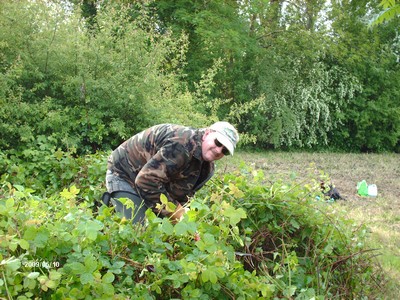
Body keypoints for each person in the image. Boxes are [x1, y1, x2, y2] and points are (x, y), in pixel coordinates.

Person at [105, 121, 239, 223]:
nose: (218, 150)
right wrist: (177, 212)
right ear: (207, 133)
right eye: (217, 142)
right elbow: (145, 181)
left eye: (225, 151)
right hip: (124, 175)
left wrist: (185, 220)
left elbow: (183, 196)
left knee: (167, 230)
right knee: (139, 233)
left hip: (151, 182)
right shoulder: (182, 144)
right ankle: (111, 198)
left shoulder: (207, 168)